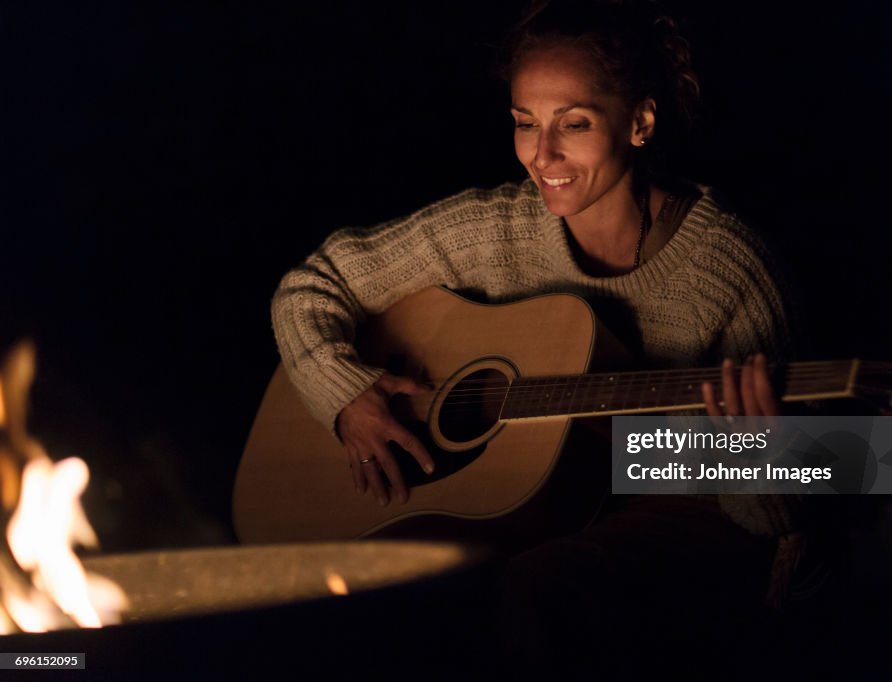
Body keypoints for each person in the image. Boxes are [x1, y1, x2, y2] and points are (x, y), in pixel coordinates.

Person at [271, 0, 806, 676]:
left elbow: (780, 521)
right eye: (525, 123)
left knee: (536, 587)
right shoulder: (497, 229)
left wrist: (754, 456)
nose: (540, 154)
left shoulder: (731, 270)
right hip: (544, 512)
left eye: (572, 124)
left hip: (681, 509)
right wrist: (346, 394)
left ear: (640, 122)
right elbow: (312, 285)